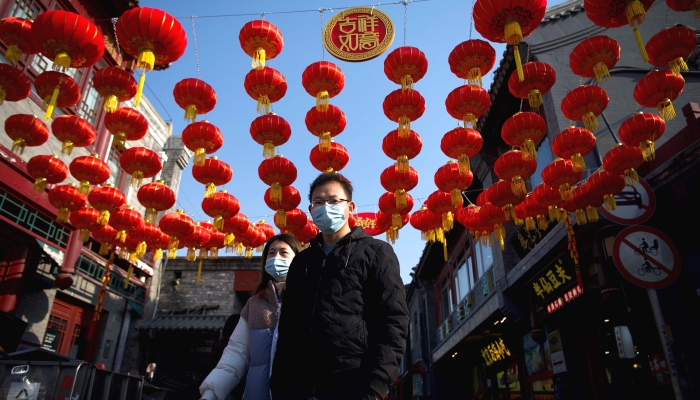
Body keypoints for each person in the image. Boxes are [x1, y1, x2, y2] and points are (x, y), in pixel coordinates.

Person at [270, 173, 409, 400]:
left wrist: (376, 386)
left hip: (354, 384)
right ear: (311, 209)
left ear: (350, 206)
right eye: (318, 202)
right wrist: (279, 385)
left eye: (334, 201)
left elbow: (394, 321)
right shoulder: (301, 263)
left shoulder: (376, 253)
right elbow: (287, 328)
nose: (326, 207)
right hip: (298, 387)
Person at [199, 234, 303, 400]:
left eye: (284, 253)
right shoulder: (254, 304)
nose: (276, 257)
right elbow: (236, 353)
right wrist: (211, 392)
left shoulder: (309, 300)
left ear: (298, 259)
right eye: (271, 253)